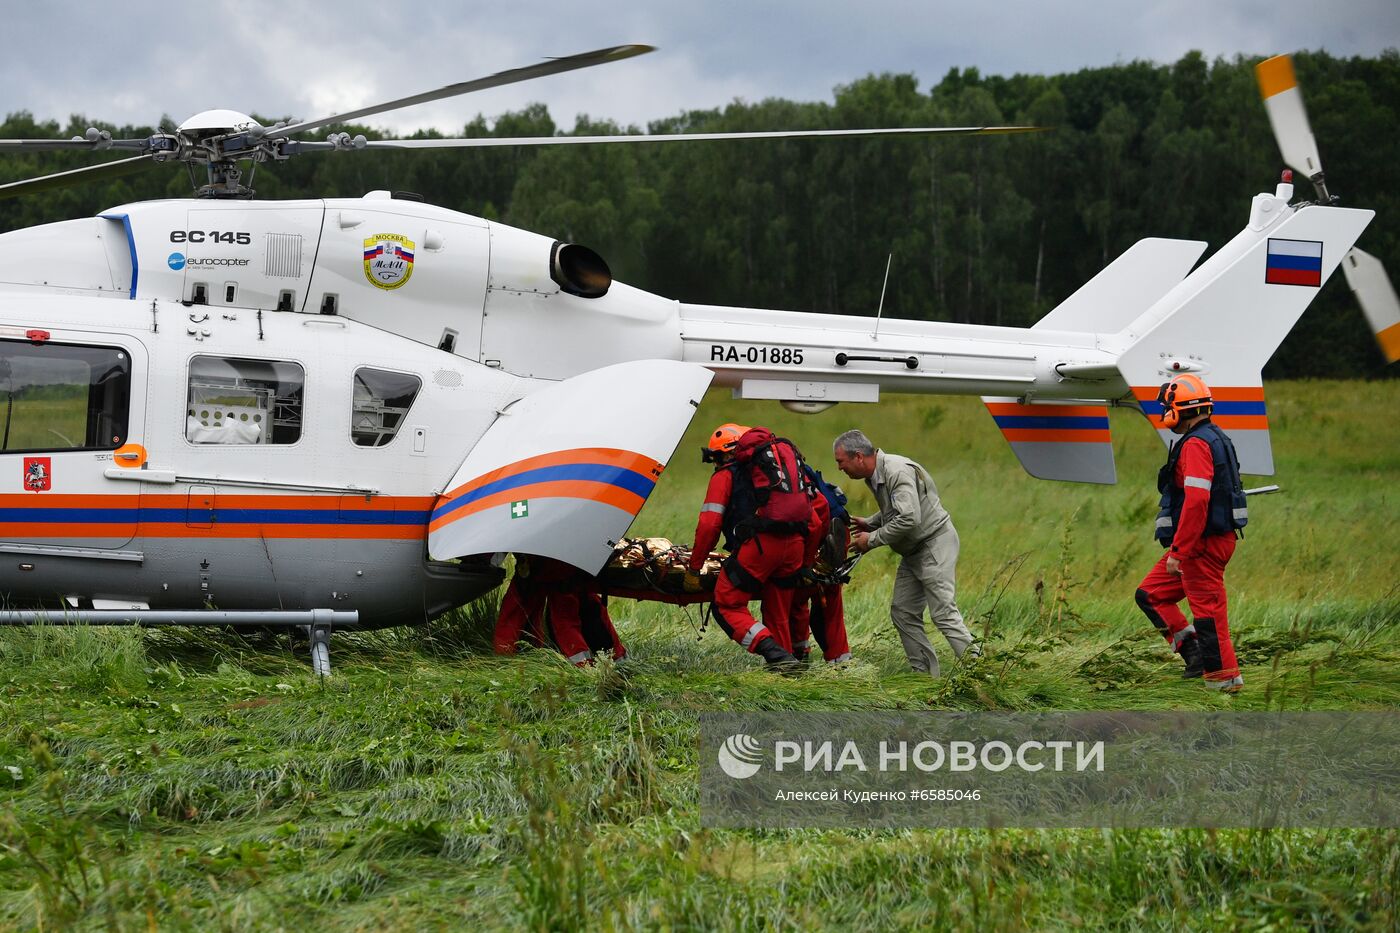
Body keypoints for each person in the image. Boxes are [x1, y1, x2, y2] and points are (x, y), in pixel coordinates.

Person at [1135, 375, 1248, 692]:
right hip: (1203, 542)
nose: (1164, 412)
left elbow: (1197, 501)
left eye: (1166, 406)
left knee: (1209, 616)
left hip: (1200, 546)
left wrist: (1179, 552)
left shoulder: (1197, 444)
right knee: (1150, 595)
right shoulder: (1215, 437)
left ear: (1179, 409)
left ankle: (1223, 683)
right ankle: (1196, 656)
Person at [833, 429, 977, 676]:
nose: (839, 468)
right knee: (903, 611)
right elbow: (899, 509)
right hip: (914, 550)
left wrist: (872, 540)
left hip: (933, 544)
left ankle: (980, 673)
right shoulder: (878, 473)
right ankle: (924, 677)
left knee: (943, 614)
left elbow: (909, 518)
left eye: (840, 462)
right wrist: (872, 522)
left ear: (858, 456)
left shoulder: (896, 471)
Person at [682, 423, 810, 670]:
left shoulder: (726, 476)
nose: (716, 463)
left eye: (717, 457)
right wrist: (804, 560)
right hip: (795, 545)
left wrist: (695, 568)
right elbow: (816, 513)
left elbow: (709, 525)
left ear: (727, 453)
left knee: (726, 604)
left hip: (760, 547)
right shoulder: (781, 473)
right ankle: (789, 666)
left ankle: (775, 655)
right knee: (779, 609)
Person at [494, 555, 626, 666]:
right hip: (571, 563)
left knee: (563, 618)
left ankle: (505, 659)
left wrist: (493, 561)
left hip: (547, 566)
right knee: (588, 611)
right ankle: (616, 661)